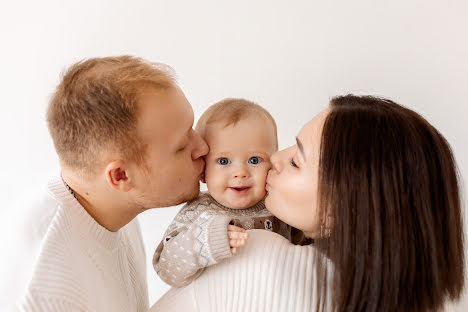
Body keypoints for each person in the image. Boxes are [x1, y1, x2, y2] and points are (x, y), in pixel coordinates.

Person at [151, 95, 465, 312]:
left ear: (345, 208)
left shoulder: (261, 256)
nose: (275, 159)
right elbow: (169, 263)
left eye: (297, 161)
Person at [19, 56, 209, 311]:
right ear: (120, 176)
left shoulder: (112, 210)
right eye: (182, 146)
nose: (202, 148)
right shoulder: (46, 293)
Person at [152, 98, 306, 288]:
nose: (240, 172)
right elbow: (167, 269)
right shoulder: (199, 212)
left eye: (255, 160)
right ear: (203, 171)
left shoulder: (279, 205)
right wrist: (204, 241)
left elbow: (309, 252)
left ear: (273, 163)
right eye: (224, 161)